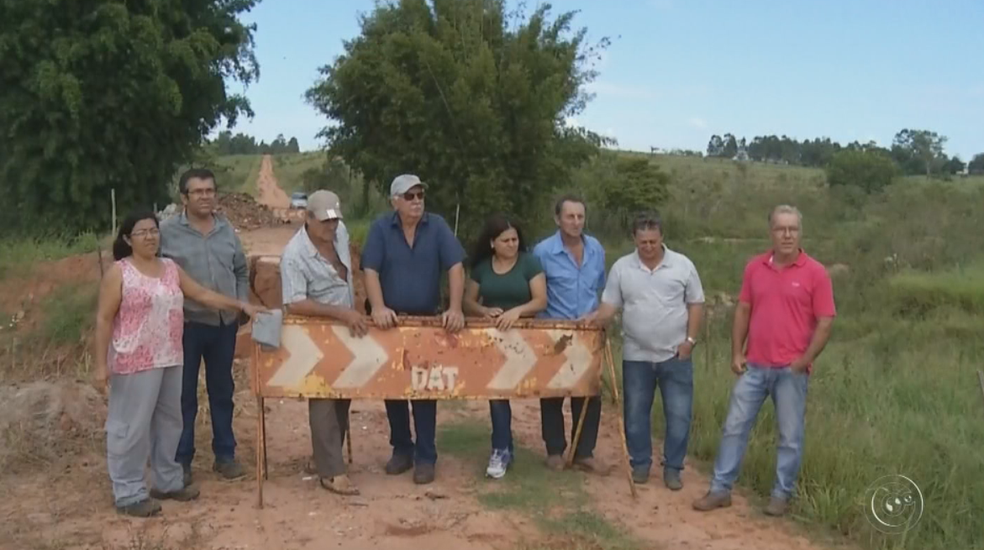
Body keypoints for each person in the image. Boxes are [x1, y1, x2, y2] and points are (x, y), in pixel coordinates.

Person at [93, 211, 261, 518]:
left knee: (170, 422)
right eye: (142, 232)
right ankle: (129, 491)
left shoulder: (170, 268)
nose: (150, 237)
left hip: (170, 356)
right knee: (131, 427)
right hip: (134, 360)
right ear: (128, 239)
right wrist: (101, 365)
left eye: (154, 231)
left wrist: (239, 304)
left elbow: (201, 294)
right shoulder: (120, 272)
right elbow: (104, 319)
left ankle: (167, 480)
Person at [693, 205, 835, 517]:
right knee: (733, 427)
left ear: (800, 233)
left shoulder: (815, 272)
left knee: (789, 436)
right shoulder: (755, 267)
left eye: (792, 229)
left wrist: (805, 360)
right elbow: (743, 309)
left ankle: (781, 494)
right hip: (754, 366)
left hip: (791, 371)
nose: (787, 235)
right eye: (780, 228)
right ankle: (720, 489)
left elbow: (825, 321)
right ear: (770, 232)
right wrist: (736, 352)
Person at [585, 212, 705, 489]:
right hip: (636, 355)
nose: (648, 247)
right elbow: (609, 306)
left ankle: (673, 468)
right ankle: (640, 464)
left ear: (662, 237)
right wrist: (592, 320)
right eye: (643, 242)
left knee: (679, 414)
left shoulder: (683, 266)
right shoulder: (622, 268)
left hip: (676, 355)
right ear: (634, 240)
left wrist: (690, 341)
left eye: (653, 241)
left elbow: (696, 303)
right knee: (636, 414)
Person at [361, 174, 466, 485]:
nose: (417, 201)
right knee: (392, 387)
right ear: (395, 201)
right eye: (409, 196)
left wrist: (455, 307)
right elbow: (370, 270)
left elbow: (456, 267)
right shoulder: (381, 228)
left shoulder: (438, 227)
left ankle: (426, 456)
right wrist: (377, 307)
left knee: (424, 388)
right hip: (390, 322)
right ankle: (401, 449)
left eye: (420, 195)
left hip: (425, 320)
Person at [160, 168, 250, 484]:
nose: (205, 196)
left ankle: (225, 455)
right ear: (184, 197)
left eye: (209, 190)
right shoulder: (167, 232)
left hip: (223, 325)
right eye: (197, 192)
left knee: (222, 390)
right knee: (183, 395)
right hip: (185, 325)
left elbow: (241, 270)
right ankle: (181, 460)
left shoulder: (226, 230)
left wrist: (240, 305)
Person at [280, 190, 366, 495]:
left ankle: (324, 457)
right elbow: (295, 302)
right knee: (323, 396)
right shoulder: (294, 255)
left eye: (335, 221)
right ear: (308, 218)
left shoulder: (340, 232)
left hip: (347, 327)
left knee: (343, 392)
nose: (331, 227)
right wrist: (340, 312)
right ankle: (331, 471)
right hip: (317, 333)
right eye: (325, 222)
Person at [463, 215, 547, 479]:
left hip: (526, 339)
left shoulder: (530, 263)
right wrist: (484, 310)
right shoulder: (482, 268)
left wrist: (518, 312)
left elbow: (541, 300)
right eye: (505, 240)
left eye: (515, 239)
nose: (512, 244)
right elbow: (468, 302)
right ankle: (501, 448)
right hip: (494, 338)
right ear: (492, 243)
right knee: (497, 394)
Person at [532, 194, 609, 474]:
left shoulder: (596, 249)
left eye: (580, 216)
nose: (576, 222)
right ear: (557, 219)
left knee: (588, 392)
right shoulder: (542, 252)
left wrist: (598, 315)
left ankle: (583, 452)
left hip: (588, 332)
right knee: (552, 392)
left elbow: (601, 288)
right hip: (554, 332)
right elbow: (536, 290)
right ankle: (554, 450)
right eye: (570, 216)